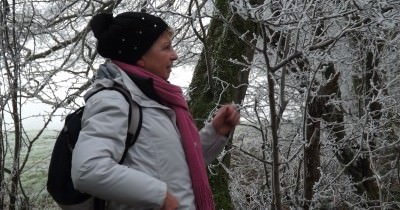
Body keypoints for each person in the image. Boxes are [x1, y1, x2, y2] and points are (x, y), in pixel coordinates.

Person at [71, 11, 240, 210]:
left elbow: (175, 167)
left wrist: (216, 133)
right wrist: (159, 195)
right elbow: (88, 170)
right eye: (166, 47)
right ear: (139, 56)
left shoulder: (154, 100)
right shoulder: (113, 99)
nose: (175, 55)